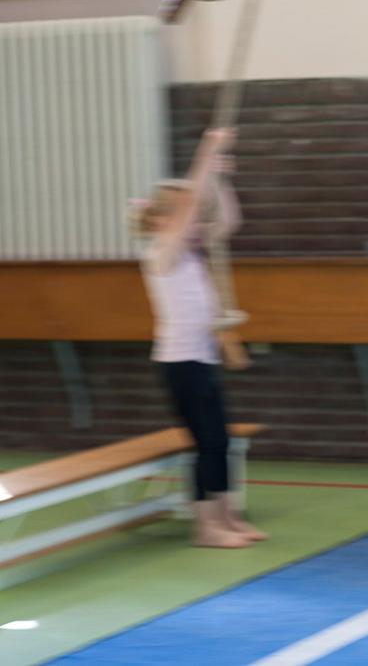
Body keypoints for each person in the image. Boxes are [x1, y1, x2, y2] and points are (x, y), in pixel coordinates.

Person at [131, 127, 266, 547]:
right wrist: (209, 149)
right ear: (158, 221)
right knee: (206, 442)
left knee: (219, 441)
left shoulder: (188, 252)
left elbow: (227, 220)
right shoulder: (160, 254)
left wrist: (220, 180)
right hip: (180, 363)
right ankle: (205, 527)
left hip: (200, 359)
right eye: (180, 219)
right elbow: (190, 204)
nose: (193, 224)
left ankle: (227, 519)